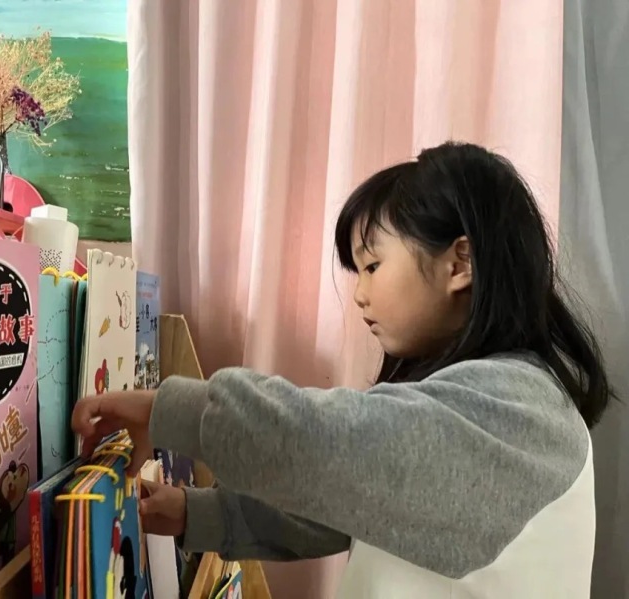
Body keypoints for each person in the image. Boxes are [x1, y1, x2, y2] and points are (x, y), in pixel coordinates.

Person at [72, 142, 613, 598]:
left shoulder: (521, 407)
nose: (360, 294)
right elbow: (347, 507)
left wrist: (168, 409)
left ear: (460, 263)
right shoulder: (495, 397)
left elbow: (329, 442)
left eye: (373, 265)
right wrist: (198, 515)